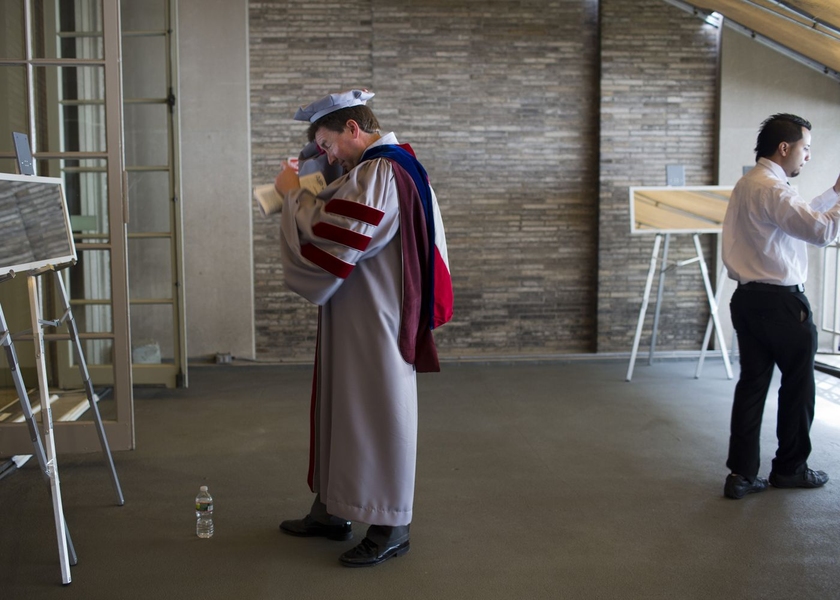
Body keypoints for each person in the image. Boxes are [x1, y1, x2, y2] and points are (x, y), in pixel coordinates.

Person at [272, 90, 454, 566]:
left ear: (354, 129)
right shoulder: (388, 167)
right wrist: (306, 176)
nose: (326, 153)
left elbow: (334, 237)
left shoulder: (382, 171)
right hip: (358, 309)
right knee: (343, 410)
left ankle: (391, 524)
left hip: (377, 318)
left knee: (375, 413)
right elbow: (339, 209)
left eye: (328, 142)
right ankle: (334, 509)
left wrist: (292, 192)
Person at [721, 113, 840, 500]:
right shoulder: (774, 189)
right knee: (798, 387)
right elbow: (819, 231)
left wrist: (834, 194)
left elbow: (797, 218)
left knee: (752, 386)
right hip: (782, 305)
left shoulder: (751, 183)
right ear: (785, 148)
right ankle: (790, 469)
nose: (807, 156)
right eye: (805, 148)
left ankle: (741, 475)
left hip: (747, 300)